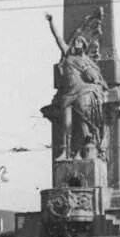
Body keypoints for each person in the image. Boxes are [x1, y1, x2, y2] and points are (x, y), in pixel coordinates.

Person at [45, 10, 109, 159]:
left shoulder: (87, 61)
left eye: (80, 42)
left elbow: (96, 77)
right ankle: (63, 152)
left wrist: (95, 81)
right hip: (68, 93)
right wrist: (51, 22)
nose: (77, 43)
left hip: (82, 90)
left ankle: (79, 152)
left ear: (84, 45)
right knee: (66, 124)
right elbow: (58, 38)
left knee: (82, 123)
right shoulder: (67, 53)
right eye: (75, 41)